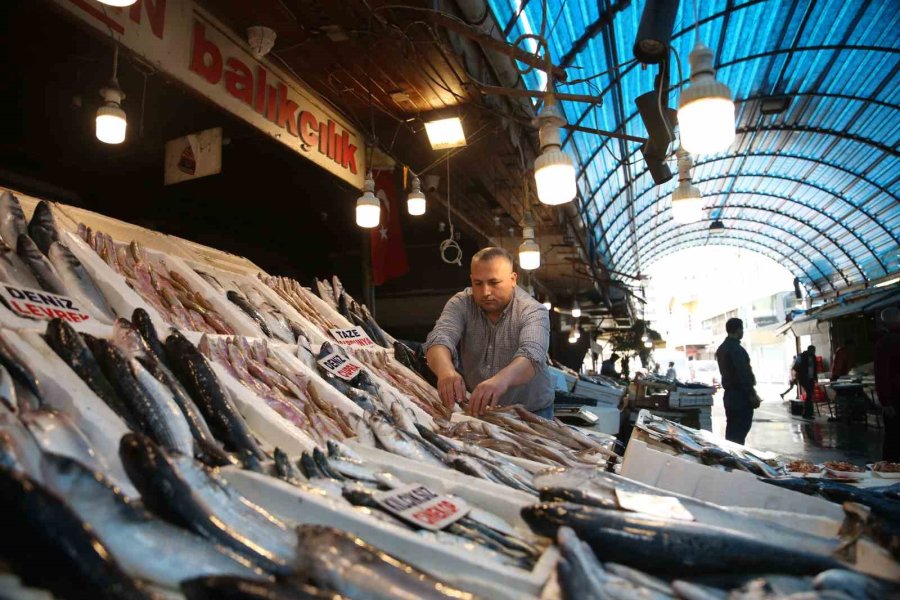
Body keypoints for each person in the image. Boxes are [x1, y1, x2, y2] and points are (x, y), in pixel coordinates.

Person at [424, 247, 553, 418]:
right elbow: (440, 337)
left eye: (494, 282)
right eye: (478, 283)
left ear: (513, 279)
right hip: (481, 410)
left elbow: (533, 355)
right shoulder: (461, 303)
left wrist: (501, 380)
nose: (485, 292)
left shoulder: (533, 310)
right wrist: (446, 371)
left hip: (531, 412)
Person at [715, 318, 760, 445]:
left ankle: (730, 454)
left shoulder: (721, 348)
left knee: (732, 431)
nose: (742, 332)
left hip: (729, 396)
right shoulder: (736, 349)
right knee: (739, 432)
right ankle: (734, 456)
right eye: (742, 329)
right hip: (740, 396)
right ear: (738, 330)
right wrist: (752, 394)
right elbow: (743, 373)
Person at [875, 308, 900, 461]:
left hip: (895, 398)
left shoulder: (885, 343)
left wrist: (885, 401)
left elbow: (882, 373)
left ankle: (890, 469)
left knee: (893, 438)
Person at [794, 345, 818, 420]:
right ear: (809, 350)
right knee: (809, 393)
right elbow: (796, 367)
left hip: (811, 378)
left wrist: (815, 377)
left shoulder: (813, 357)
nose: (814, 352)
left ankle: (809, 413)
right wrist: (801, 374)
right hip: (804, 379)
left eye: (814, 351)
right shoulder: (801, 356)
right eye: (813, 350)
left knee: (810, 395)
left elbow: (815, 368)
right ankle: (806, 413)